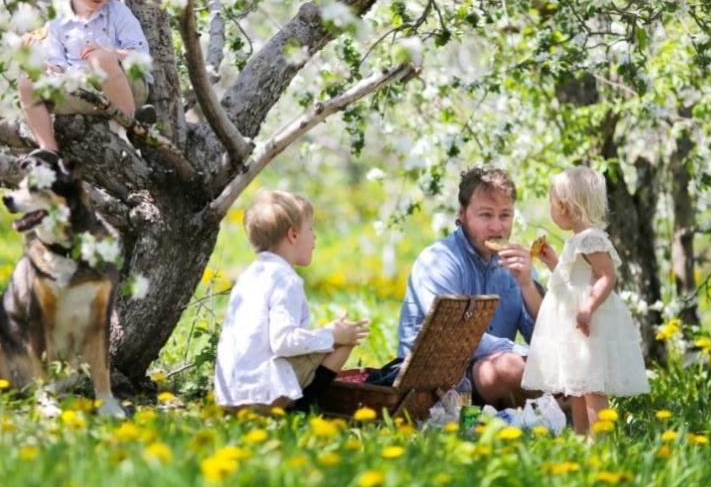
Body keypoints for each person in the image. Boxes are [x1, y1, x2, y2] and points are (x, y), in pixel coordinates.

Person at [398, 166, 543, 409]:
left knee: (564, 363)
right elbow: (455, 339)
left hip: (489, 375)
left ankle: (556, 411)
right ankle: (553, 408)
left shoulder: (517, 265)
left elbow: (543, 335)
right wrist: (524, 355)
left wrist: (527, 285)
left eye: (505, 215)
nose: (497, 227)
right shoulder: (439, 261)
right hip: (433, 380)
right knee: (514, 368)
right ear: (462, 213)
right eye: (486, 215)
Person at [214, 189, 370, 413]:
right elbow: (283, 342)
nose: (315, 237)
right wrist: (333, 334)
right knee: (346, 340)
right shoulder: (286, 280)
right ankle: (299, 409)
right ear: (293, 235)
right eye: (311, 229)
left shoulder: (251, 274)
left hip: (229, 394)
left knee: (329, 339)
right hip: (261, 398)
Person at [521, 166, 649, 434]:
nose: (551, 210)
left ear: (565, 206)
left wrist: (588, 307)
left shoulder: (591, 238)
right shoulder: (578, 240)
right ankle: (582, 439)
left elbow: (607, 276)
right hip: (574, 322)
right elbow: (573, 280)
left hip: (588, 322)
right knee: (576, 386)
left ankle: (600, 442)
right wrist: (553, 261)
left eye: (552, 204)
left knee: (592, 387)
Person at [18, 0, 155, 153]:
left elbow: (141, 57)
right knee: (26, 84)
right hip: (84, 96)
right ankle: (48, 150)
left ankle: (132, 125)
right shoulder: (57, 25)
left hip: (126, 89)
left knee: (98, 59)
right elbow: (56, 69)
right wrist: (36, 60)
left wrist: (111, 54)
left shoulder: (118, 13)